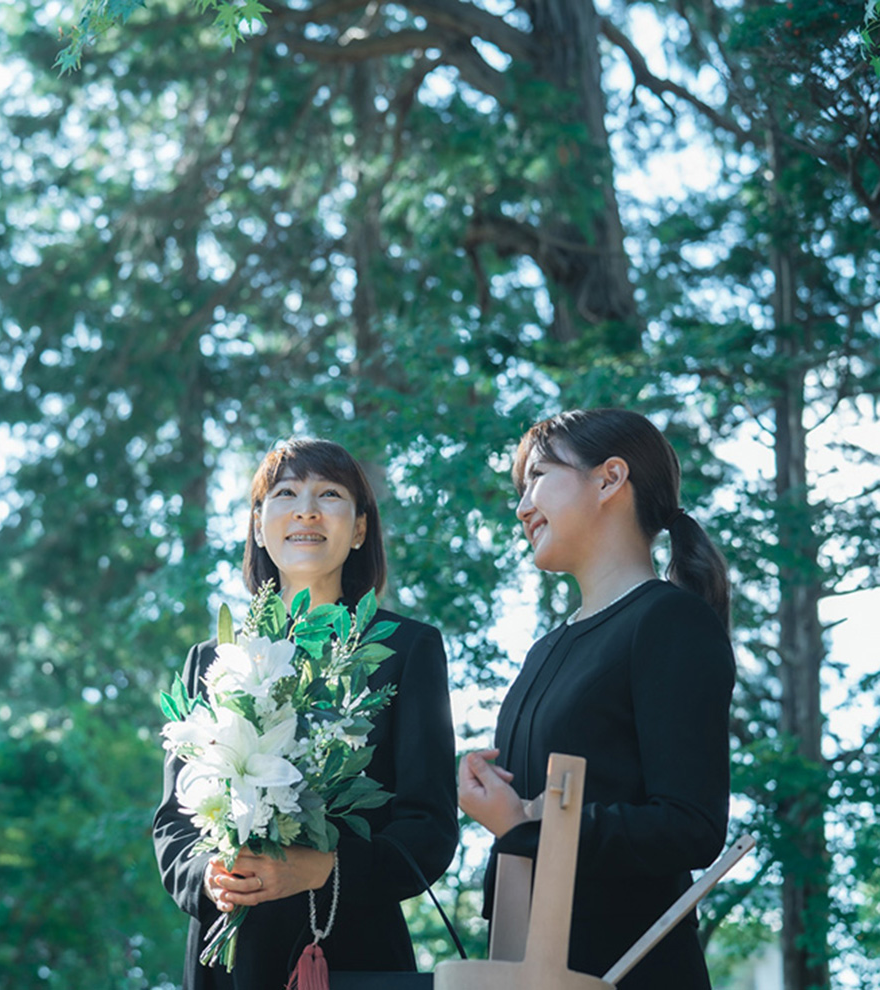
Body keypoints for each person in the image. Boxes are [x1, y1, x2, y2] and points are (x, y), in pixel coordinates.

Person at [153, 437, 459, 990]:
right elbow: (174, 825)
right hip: (229, 959)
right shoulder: (211, 660)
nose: (307, 510)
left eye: (331, 494)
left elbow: (429, 828)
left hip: (351, 950)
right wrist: (211, 878)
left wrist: (325, 869)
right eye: (286, 493)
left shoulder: (407, 650)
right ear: (257, 523)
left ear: (360, 528)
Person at [459, 408, 735, 989]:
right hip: (523, 965)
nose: (521, 505)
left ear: (610, 479)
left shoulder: (669, 621)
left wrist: (526, 826)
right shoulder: (543, 650)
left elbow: (691, 825)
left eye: (537, 477)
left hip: (628, 969)